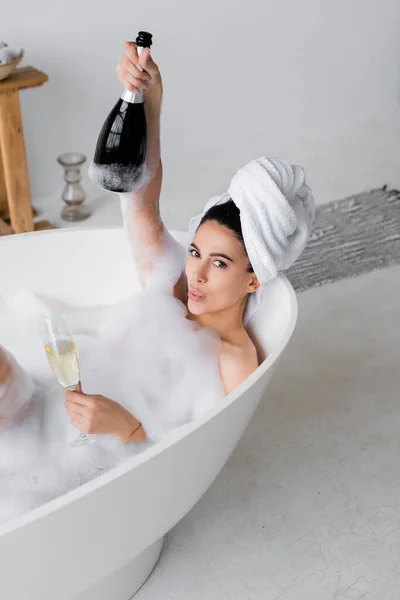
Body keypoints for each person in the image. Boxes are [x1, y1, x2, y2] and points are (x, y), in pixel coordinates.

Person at [2, 41, 314, 445]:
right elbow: (141, 203)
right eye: (196, 252)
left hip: (97, 450)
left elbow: (197, 451)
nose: (196, 273)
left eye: (219, 264)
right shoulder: (168, 291)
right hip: (47, 412)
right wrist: (152, 96)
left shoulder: (235, 361)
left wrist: (126, 428)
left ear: (253, 279)